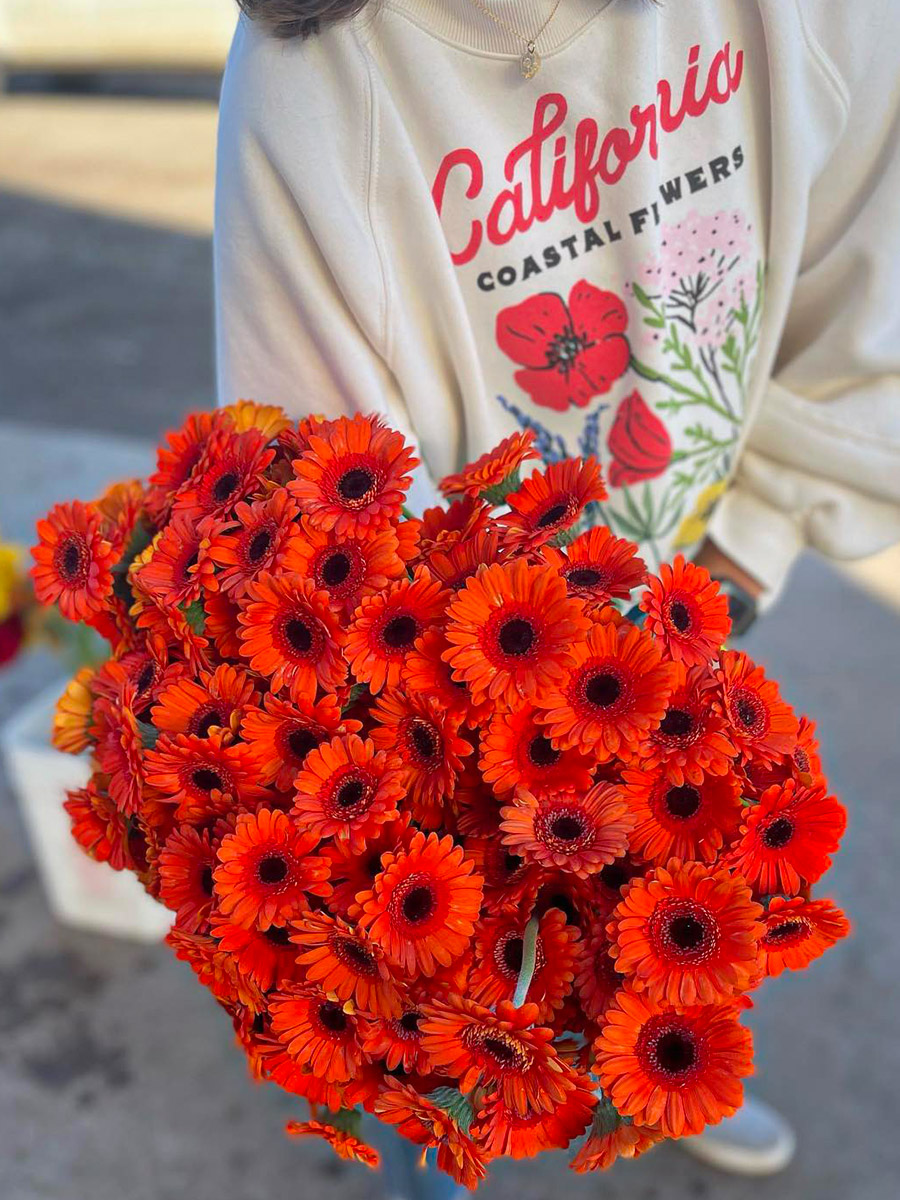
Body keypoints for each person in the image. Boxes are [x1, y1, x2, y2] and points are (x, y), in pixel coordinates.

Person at [214, 0, 900, 1179]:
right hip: (454, 668)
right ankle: (468, 1104)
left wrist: (749, 544)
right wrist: (462, 700)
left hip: (702, 578)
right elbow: (322, 493)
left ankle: (676, 1056)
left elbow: (874, 246)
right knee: (469, 946)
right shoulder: (313, 82)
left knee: (702, 866)